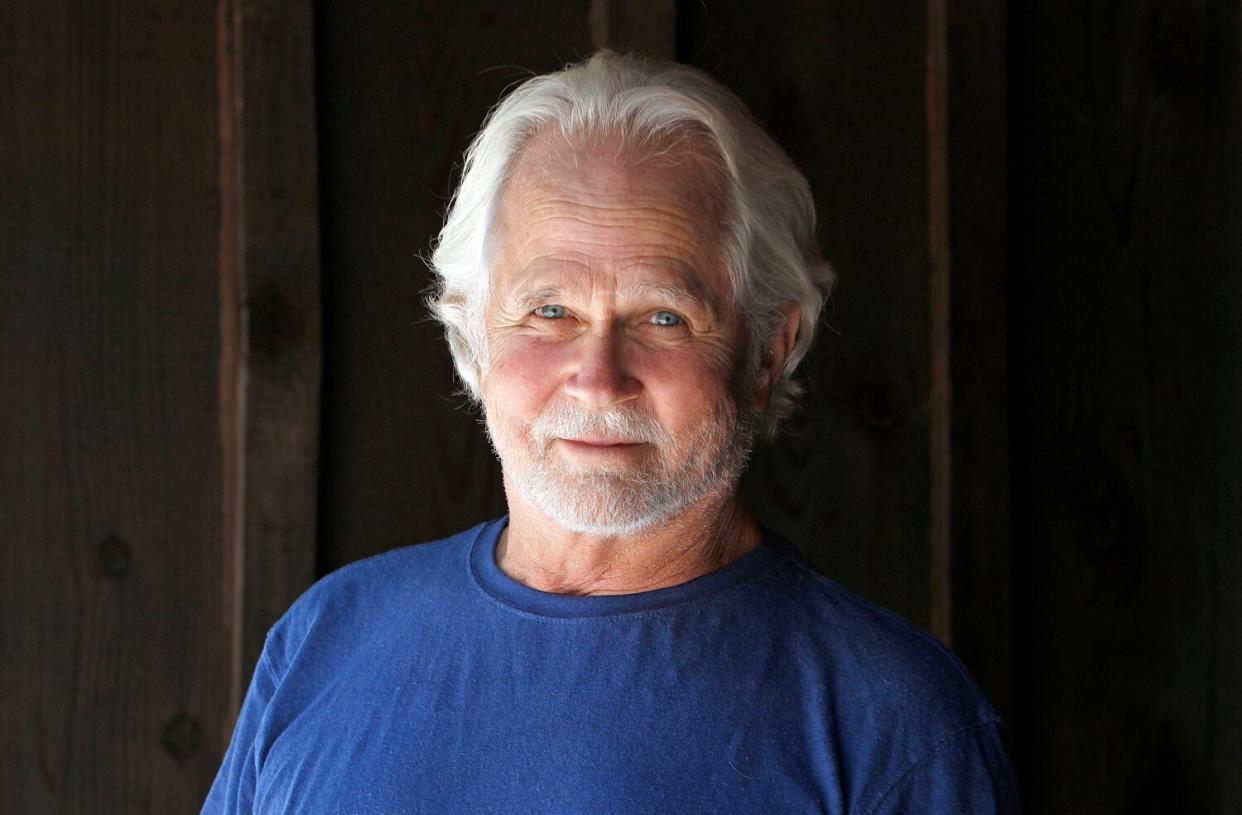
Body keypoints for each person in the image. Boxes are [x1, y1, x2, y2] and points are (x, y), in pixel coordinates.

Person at [203, 51, 1019, 813]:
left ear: (768, 349)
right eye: (550, 310)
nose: (598, 375)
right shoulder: (327, 639)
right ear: (471, 332)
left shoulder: (896, 725)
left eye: (664, 316)